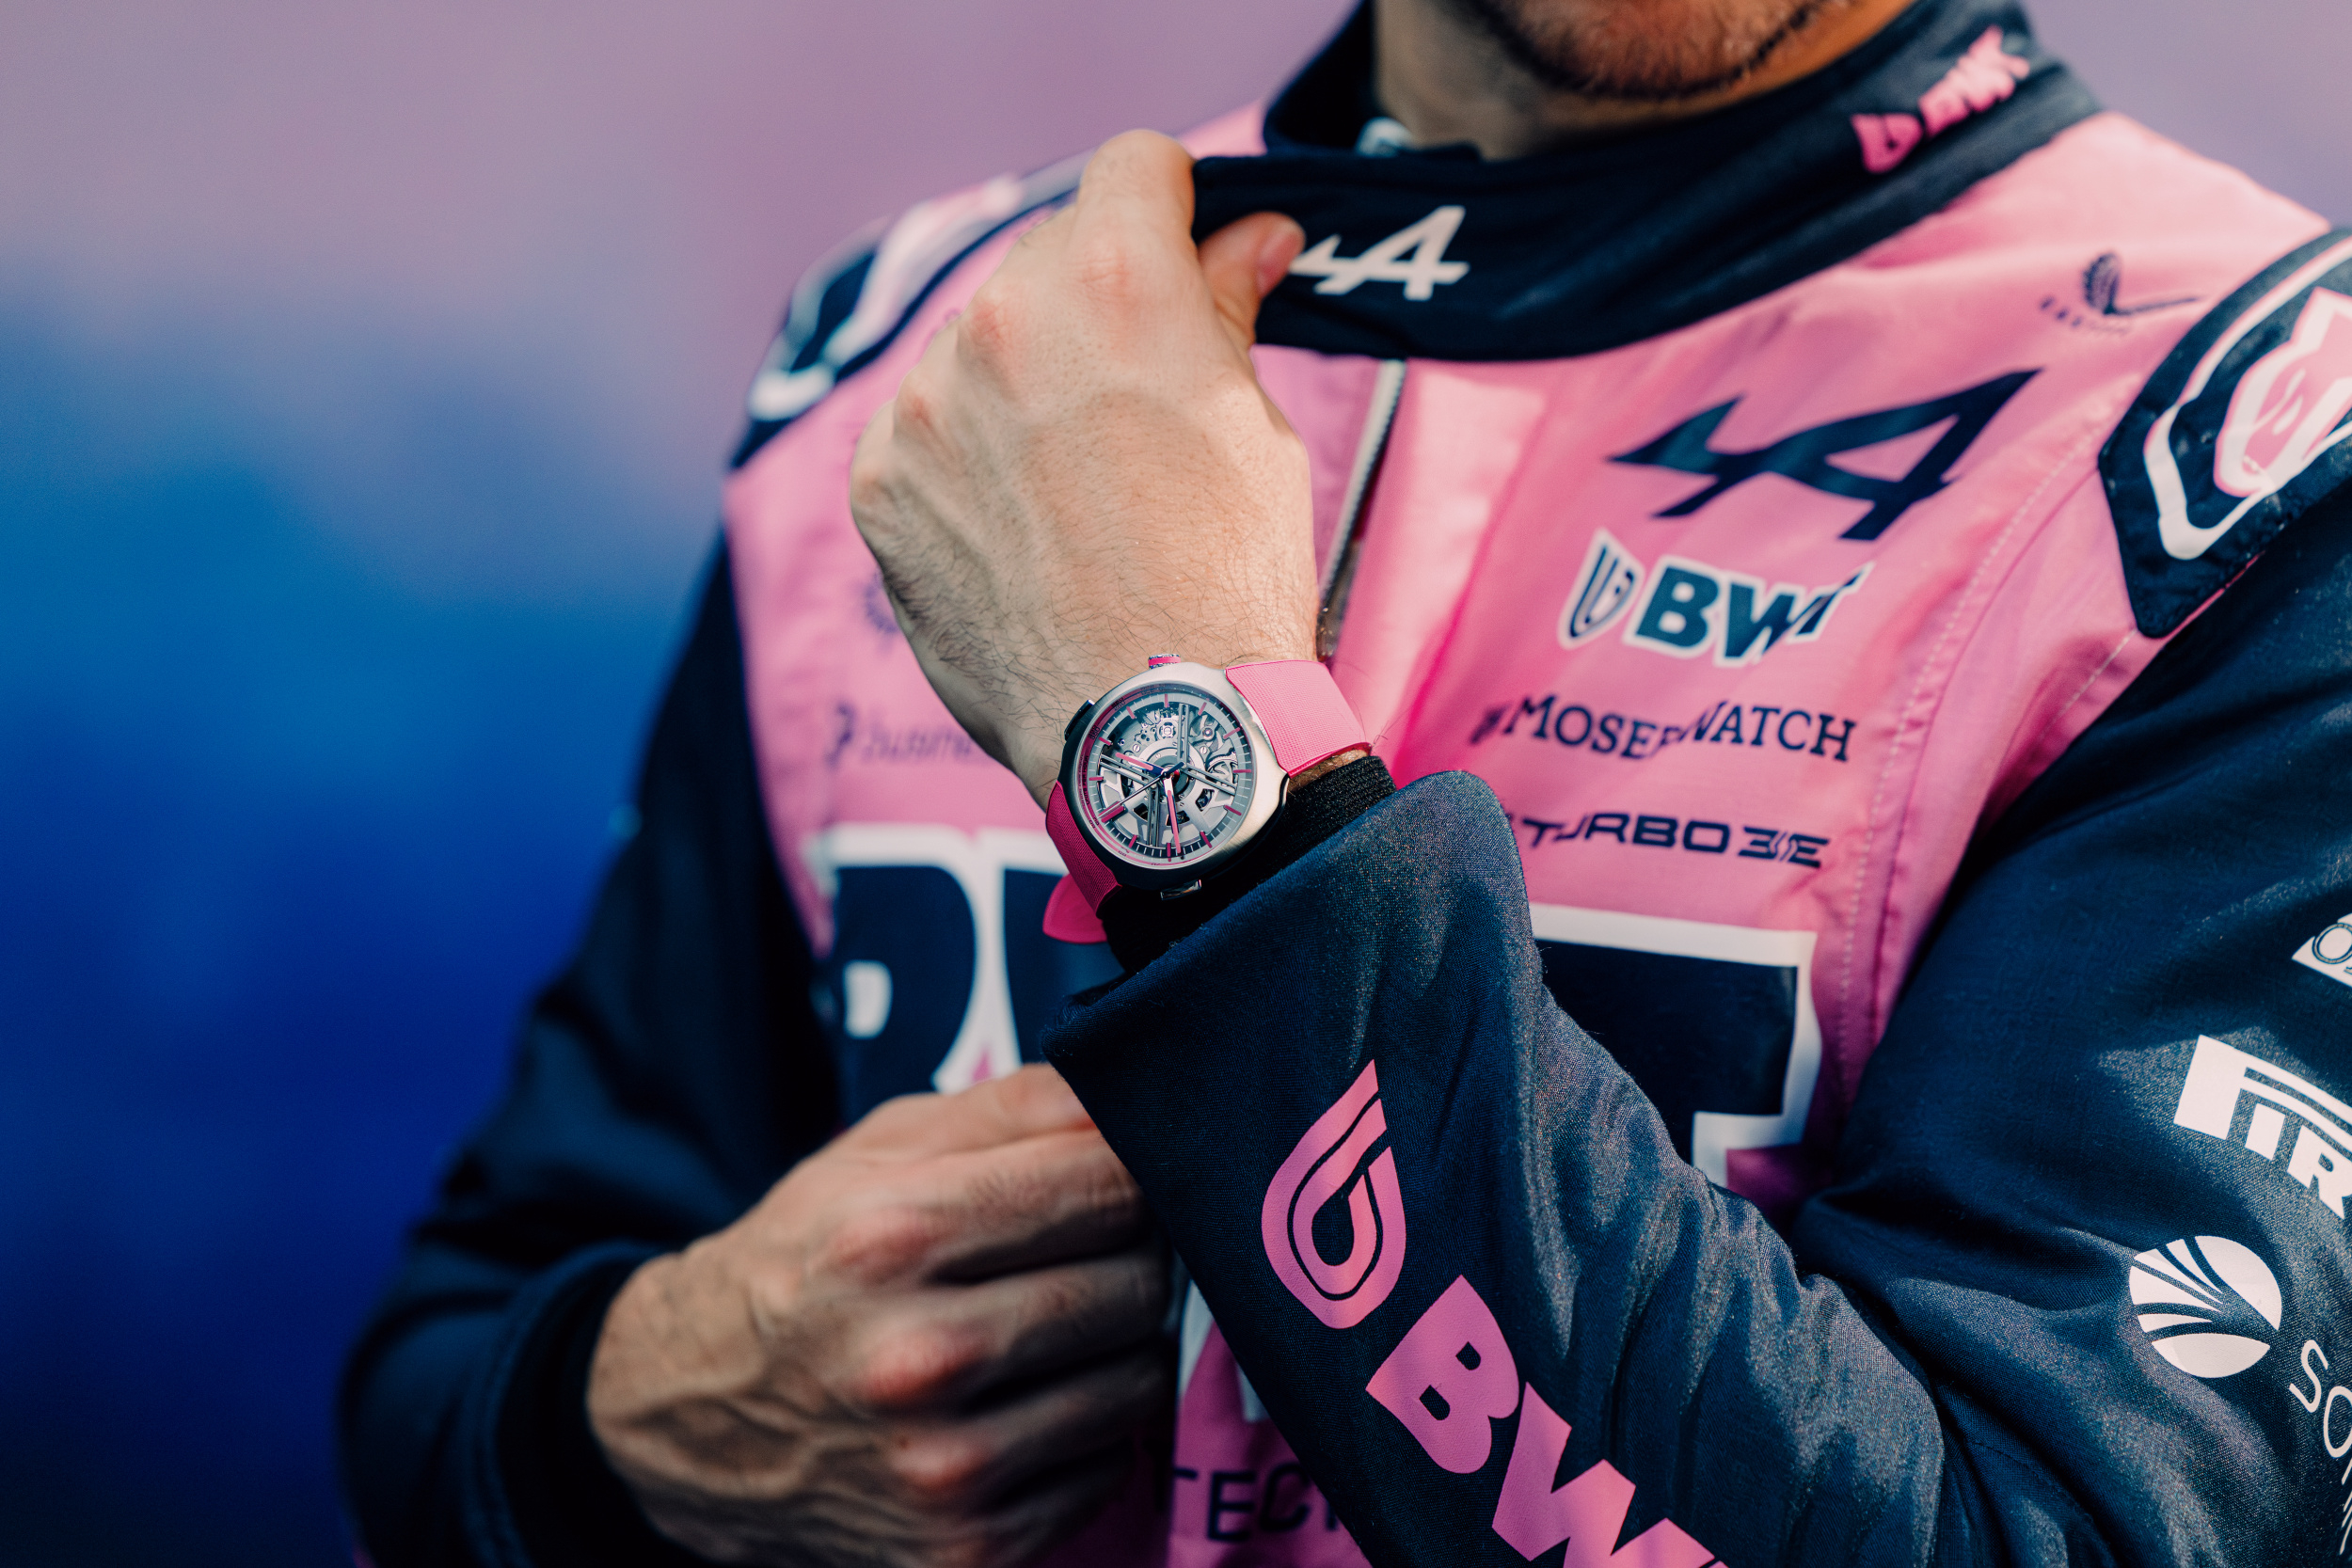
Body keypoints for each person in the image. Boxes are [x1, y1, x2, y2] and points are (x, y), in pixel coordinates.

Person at [341, 0, 2352, 1560]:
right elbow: (454, 1365)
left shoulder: (2256, 462)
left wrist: (1185, 755)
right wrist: (650, 1413)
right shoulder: (930, 360)